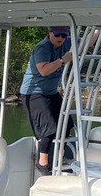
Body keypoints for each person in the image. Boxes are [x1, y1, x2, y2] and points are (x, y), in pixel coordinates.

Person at [20, 25, 75, 176]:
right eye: (57, 35)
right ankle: (42, 162)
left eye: (64, 36)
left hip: (51, 92)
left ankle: (61, 156)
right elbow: (43, 71)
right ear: (50, 33)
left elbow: (88, 42)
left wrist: (99, 30)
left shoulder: (67, 42)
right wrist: (62, 60)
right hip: (34, 93)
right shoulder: (42, 48)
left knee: (67, 122)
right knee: (49, 126)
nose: (60, 39)